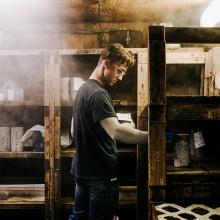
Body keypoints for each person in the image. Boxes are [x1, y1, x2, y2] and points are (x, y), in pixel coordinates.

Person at [69, 43, 148, 220]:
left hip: (81, 171)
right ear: (106, 63)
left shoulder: (83, 89)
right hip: (100, 175)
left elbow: (74, 131)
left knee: (78, 218)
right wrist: (152, 138)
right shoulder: (98, 94)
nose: (120, 77)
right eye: (119, 71)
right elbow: (116, 132)